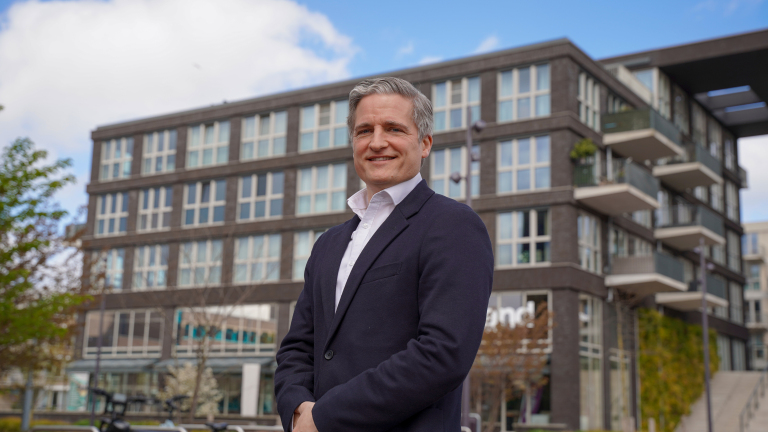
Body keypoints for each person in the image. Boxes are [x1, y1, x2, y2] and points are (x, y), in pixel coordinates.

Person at [274, 77, 494, 432]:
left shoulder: (453, 226)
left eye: (393, 128)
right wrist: (299, 410)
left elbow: (442, 354)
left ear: (424, 144)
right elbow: (298, 347)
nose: (377, 142)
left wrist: (325, 417)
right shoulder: (328, 244)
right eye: (364, 131)